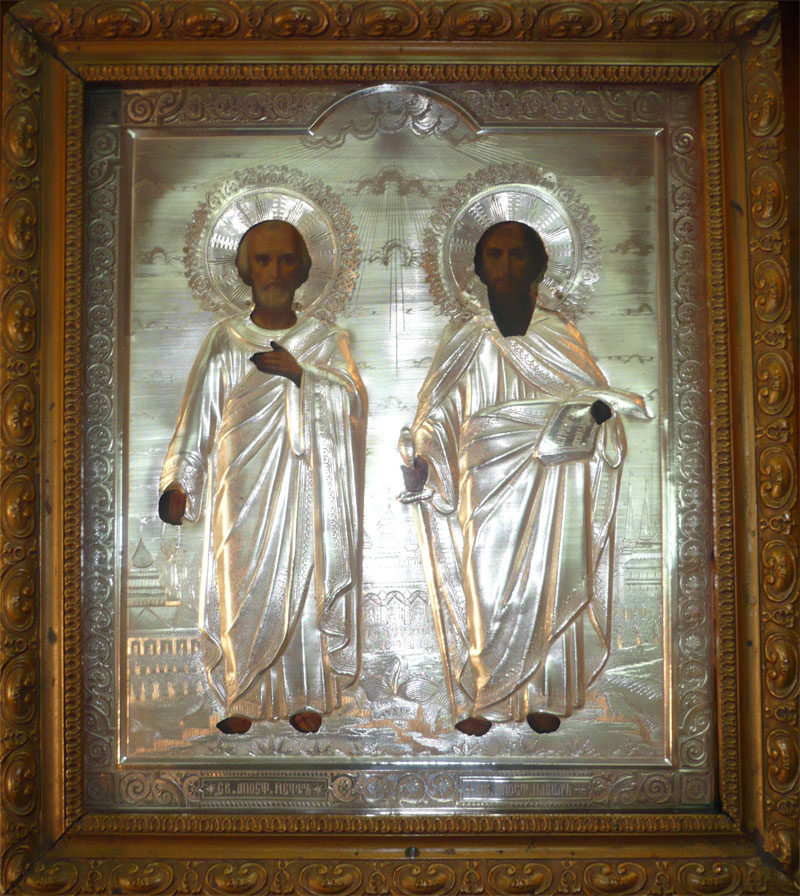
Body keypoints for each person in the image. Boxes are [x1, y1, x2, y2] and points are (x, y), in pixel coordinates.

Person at [401, 221, 650, 737]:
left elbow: (598, 406)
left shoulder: (560, 337)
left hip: (555, 481)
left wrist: (596, 416)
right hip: (484, 478)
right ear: (478, 268)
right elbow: (438, 412)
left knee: (552, 576)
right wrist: (423, 458)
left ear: (537, 265)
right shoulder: (466, 339)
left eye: (518, 256)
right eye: (495, 255)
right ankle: (488, 693)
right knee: (485, 584)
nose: (506, 267)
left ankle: (546, 695)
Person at [160, 220, 366, 735]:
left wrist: (301, 374)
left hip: (304, 483)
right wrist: (179, 482)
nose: (274, 271)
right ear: (245, 270)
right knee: (241, 584)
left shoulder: (324, 340)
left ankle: (305, 693)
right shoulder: (225, 340)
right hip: (240, 484)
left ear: (302, 270)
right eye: (263, 260)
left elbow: (352, 407)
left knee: (303, 580)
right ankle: (242, 693)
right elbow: (198, 420)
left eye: (285, 260)